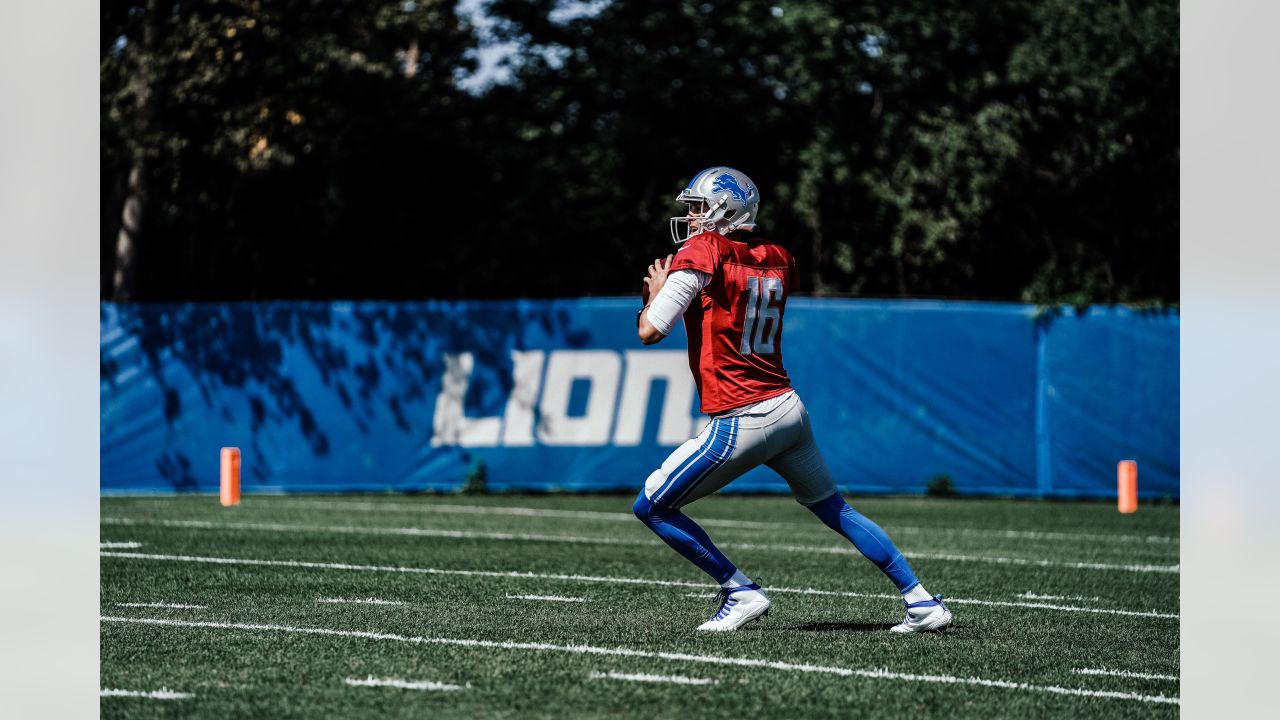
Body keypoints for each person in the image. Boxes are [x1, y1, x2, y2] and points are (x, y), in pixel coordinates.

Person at [632, 166, 953, 633]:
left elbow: (649, 329)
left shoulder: (705, 249)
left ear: (725, 209)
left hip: (742, 416)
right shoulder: (778, 257)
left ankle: (738, 590)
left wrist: (654, 296)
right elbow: (730, 298)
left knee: (651, 505)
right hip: (787, 408)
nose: (694, 218)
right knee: (836, 510)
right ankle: (922, 601)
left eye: (701, 208)